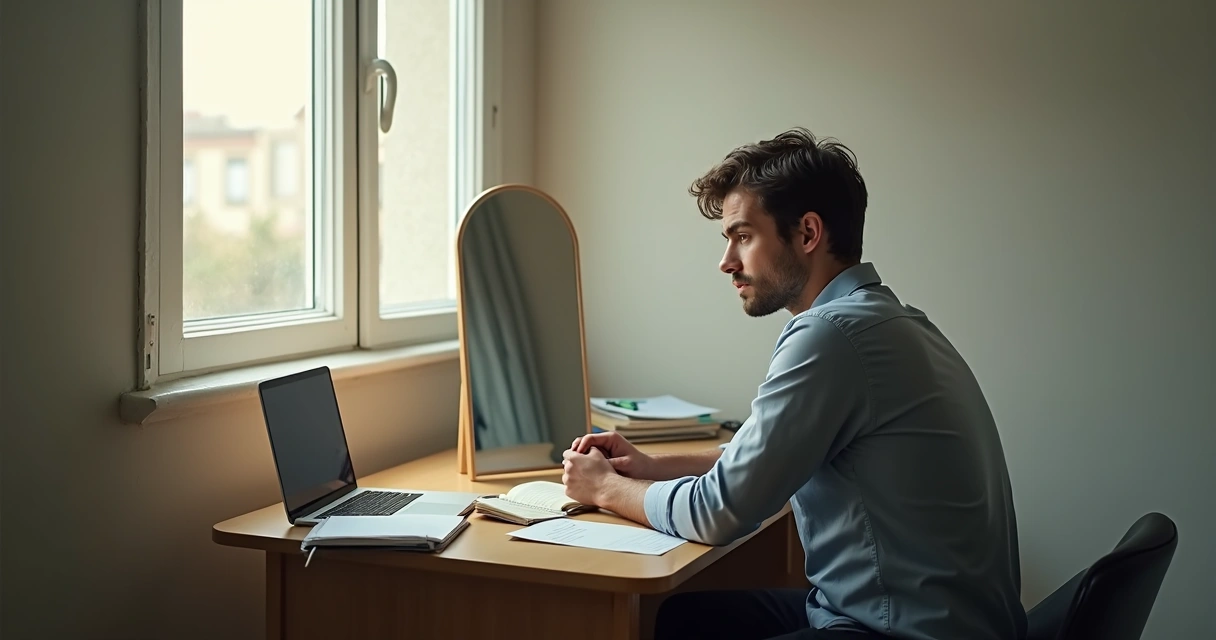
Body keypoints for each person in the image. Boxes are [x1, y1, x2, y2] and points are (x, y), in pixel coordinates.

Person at [560, 128, 1027, 640]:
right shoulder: (892, 320)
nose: (726, 262)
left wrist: (606, 487)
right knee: (684, 619)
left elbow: (718, 511)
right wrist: (651, 467)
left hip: (895, 632)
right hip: (935, 619)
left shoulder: (831, 335)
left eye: (743, 236)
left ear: (807, 234)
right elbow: (766, 456)